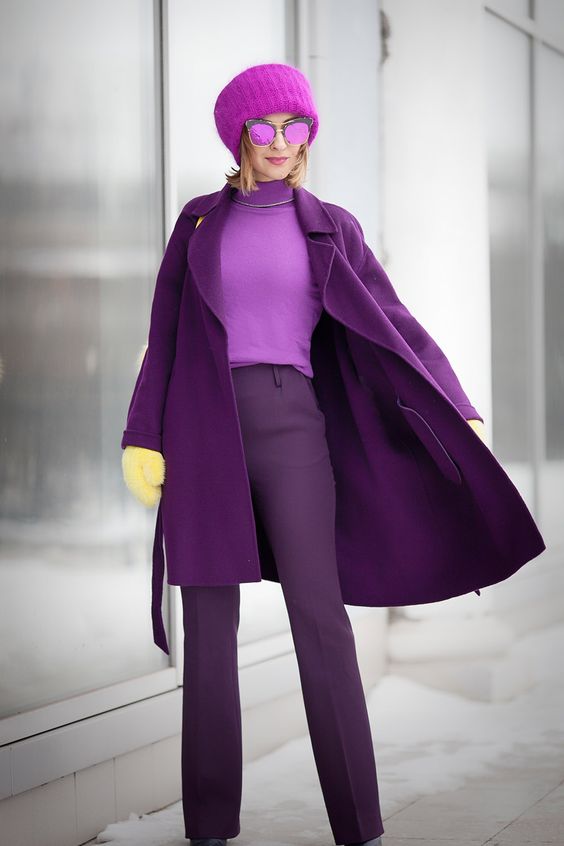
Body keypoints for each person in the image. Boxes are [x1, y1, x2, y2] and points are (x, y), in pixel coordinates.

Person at [121, 62, 542, 845]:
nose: (281, 142)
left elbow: (395, 322)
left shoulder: (330, 227)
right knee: (208, 629)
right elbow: (166, 338)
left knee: (320, 619)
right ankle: (208, 826)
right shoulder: (199, 225)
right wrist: (143, 436)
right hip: (204, 432)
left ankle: (360, 825)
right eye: (264, 127)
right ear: (238, 136)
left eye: (296, 126)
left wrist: (455, 403)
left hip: (295, 427)